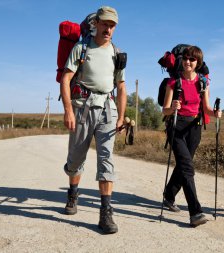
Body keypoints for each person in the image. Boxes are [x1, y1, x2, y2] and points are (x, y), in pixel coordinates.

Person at [60, 6, 127, 234]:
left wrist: (121, 115)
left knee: (106, 160)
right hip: (82, 108)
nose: (108, 29)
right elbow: (66, 78)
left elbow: (121, 86)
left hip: (108, 110)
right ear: (96, 23)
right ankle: (73, 194)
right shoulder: (81, 48)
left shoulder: (117, 53)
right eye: (105, 24)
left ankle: (105, 214)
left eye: (112, 25)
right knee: (76, 157)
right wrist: (68, 110)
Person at [162, 46, 222, 227]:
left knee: (183, 165)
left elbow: (206, 109)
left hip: (194, 128)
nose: (188, 62)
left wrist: (215, 112)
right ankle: (195, 212)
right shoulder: (173, 82)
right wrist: (173, 108)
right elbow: (164, 110)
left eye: (192, 59)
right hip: (176, 126)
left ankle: (169, 195)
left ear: (198, 63)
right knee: (187, 167)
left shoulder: (203, 83)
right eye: (186, 58)